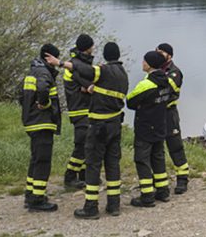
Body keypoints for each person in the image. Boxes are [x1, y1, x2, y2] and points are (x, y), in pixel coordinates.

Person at [46, 42, 129, 219]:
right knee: (113, 164)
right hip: (115, 124)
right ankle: (114, 205)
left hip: (99, 126)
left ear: (106, 56)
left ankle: (91, 207)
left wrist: (59, 63)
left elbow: (83, 69)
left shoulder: (103, 71)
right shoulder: (123, 73)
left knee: (92, 165)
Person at [127, 51, 174, 208]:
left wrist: (143, 105)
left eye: (144, 60)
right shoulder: (166, 81)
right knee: (158, 158)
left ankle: (147, 196)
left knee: (142, 160)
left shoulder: (146, 84)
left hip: (145, 127)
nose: (142, 63)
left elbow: (130, 101)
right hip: (161, 125)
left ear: (149, 64)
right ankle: (163, 191)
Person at [23, 44, 62, 212]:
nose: (55, 62)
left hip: (33, 122)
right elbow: (43, 88)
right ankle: (37, 200)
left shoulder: (33, 70)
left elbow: (21, 96)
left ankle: (31, 194)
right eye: (54, 58)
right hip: (42, 122)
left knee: (35, 159)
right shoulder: (43, 72)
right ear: (48, 57)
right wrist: (44, 104)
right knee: (43, 161)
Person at [62, 34, 96, 189]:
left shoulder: (80, 63)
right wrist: (87, 87)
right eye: (92, 46)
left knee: (88, 143)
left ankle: (84, 174)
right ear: (88, 47)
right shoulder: (72, 65)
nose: (93, 49)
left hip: (86, 108)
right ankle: (70, 175)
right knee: (81, 144)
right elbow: (83, 85)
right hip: (79, 109)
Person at [157, 43, 189, 195]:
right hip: (156, 114)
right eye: (157, 52)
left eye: (161, 52)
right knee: (156, 148)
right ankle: (159, 181)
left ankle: (182, 179)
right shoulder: (155, 71)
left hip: (169, 113)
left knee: (175, 146)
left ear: (169, 55)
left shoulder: (175, 72)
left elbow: (165, 89)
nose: (158, 54)